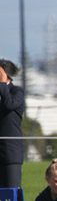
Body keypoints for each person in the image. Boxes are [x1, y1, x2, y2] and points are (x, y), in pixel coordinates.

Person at [0, 59, 25, 188]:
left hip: (10, 154)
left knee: (11, 194)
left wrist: (2, 84)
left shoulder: (17, 92)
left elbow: (9, 104)